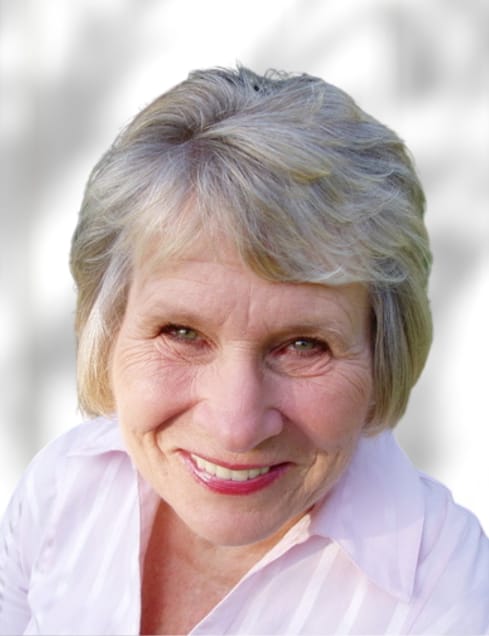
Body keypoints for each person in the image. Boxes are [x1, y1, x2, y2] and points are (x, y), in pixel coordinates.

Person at [1, 65, 488, 636]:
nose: (236, 427)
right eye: (182, 333)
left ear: (384, 353)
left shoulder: (446, 592)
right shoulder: (63, 483)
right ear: (107, 329)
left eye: (303, 345)